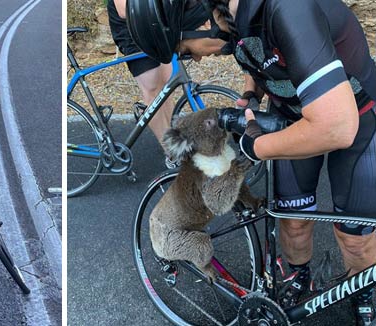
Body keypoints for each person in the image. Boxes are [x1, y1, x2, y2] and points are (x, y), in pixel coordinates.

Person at [127, 0, 376, 324]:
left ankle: (362, 292)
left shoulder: (288, 10)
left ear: (202, 23)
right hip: (290, 116)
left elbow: (337, 127)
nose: (198, 58)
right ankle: (297, 278)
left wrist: (255, 148)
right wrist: (251, 93)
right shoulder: (235, 19)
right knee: (293, 223)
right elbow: (257, 56)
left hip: (356, 119)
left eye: (186, 51)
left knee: (355, 240)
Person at [109, 0, 179, 170]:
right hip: (131, 28)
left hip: (155, 24)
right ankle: (172, 154)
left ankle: (175, 141)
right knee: (151, 88)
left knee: (167, 85)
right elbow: (123, 10)